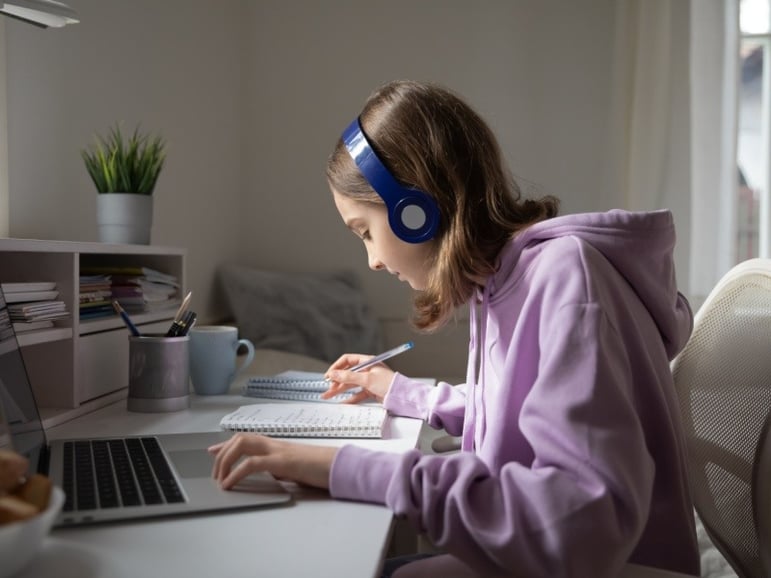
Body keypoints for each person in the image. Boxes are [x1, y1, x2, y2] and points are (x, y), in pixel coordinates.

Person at [209, 80, 701, 577]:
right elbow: (516, 408)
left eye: (365, 232)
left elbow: (580, 524)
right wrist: (400, 391)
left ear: (415, 211)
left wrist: (341, 468)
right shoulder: (503, 281)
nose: (373, 261)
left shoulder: (566, 278)